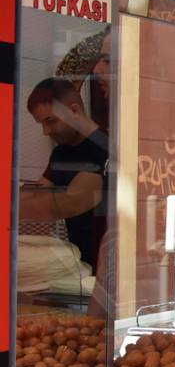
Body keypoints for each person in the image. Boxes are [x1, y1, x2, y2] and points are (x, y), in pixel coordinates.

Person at [19, 77, 108, 274]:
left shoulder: (104, 148)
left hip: (108, 268)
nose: (46, 131)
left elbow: (72, 202)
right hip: (81, 267)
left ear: (74, 110)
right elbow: (38, 193)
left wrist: (11, 207)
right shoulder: (61, 153)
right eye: (41, 124)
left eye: (50, 121)